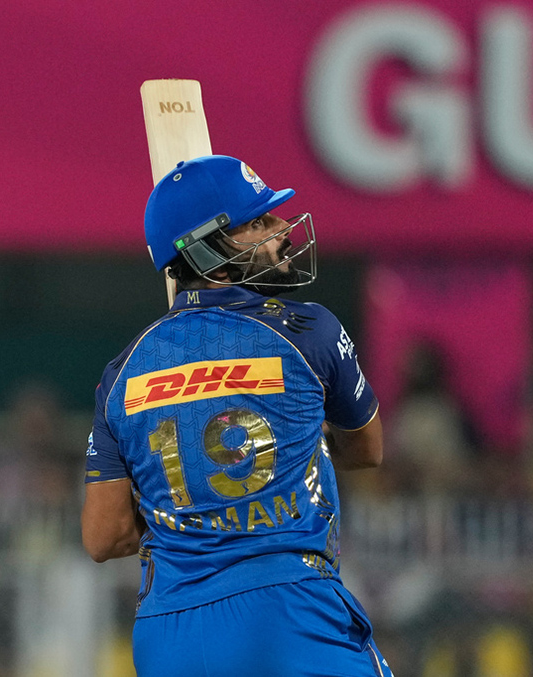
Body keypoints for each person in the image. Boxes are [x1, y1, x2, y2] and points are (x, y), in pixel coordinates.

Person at [80, 155, 392, 676]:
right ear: (210, 255)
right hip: (287, 612)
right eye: (259, 223)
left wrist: (187, 508)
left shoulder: (121, 374)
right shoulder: (307, 331)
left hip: (168, 634)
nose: (282, 230)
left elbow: (103, 537)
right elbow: (368, 450)